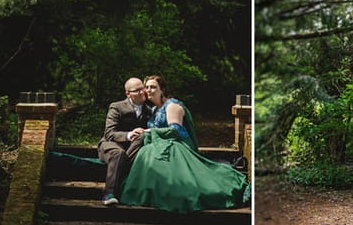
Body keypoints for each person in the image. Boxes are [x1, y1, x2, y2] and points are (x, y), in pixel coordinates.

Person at [120, 75, 251, 213]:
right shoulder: (153, 110)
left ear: (162, 89)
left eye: (153, 87)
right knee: (148, 156)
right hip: (160, 143)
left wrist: (149, 131)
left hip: (177, 144)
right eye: (146, 87)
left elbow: (175, 130)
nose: (148, 90)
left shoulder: (172, 106)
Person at [97, 77, 152, 206]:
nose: (142, 91)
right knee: (119, 154)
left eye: (142, 88)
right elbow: (109, 133)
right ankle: (109, 194)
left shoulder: (149, 111)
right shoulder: (117, 107)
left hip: (133, 148)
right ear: (128, 94)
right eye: (137, 90)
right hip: (111, 145)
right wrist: (129, 134)